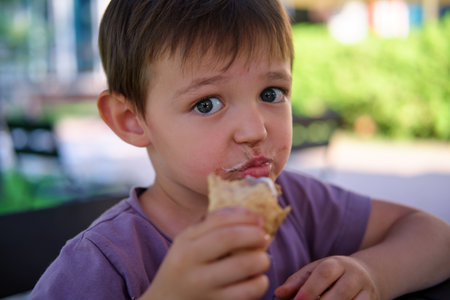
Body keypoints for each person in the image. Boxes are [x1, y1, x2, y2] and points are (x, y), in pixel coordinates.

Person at [30, 0, 450, 299]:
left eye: (272, 92)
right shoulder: (105, 261)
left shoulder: (301, 204)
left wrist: (371, 274)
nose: (255, 129)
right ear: (132, 119)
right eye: (207, 103)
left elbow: (435, 237)